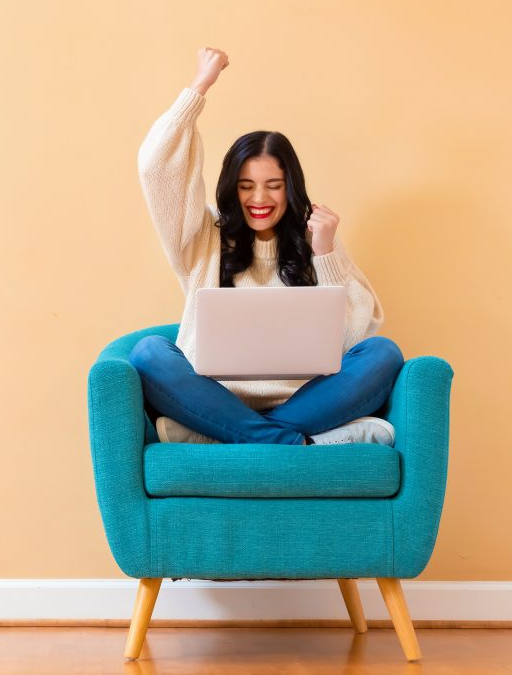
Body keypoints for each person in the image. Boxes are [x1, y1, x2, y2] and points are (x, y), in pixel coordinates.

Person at [129, 47, 404, 446]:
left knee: (384, 353)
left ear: (290, 188)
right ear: (231, 188)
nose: (259, 198)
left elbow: (356, 338)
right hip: (213, 399)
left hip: (307, 403)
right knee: (149, 353)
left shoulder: (315, 241)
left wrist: (325, 252)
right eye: (246, 186)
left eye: (273, 185)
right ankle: (296, 443)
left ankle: (229, 437)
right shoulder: (202, 237)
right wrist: (198, 88)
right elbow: (155, 168)